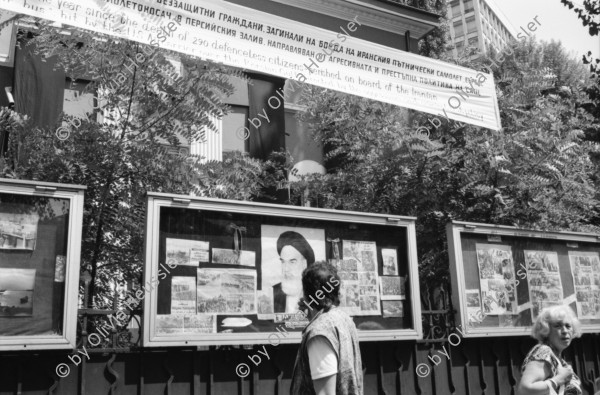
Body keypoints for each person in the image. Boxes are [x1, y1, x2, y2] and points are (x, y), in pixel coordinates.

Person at [290, 262, 363, 395]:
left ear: (306, 293)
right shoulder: (343, 318)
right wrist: (311, 312)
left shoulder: (319, 333)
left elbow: (325, 393)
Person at [518, 305, 582, 395]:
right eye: (558, 326)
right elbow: (524, 389)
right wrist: (559, 379)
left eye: (568, 326)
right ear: (546, 330)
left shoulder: (557, 358)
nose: (564, 331)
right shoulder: (543, 352)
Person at [273, 231, 315, 313]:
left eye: (292, 262)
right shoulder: (274, 292)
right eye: (283, 262)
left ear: (304, 264)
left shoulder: (315, 293)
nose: (285, 269)